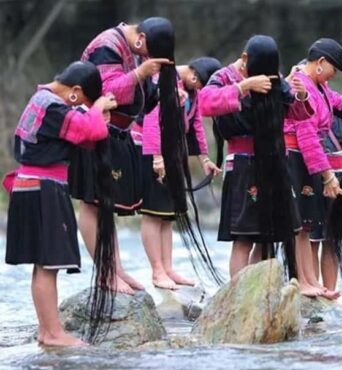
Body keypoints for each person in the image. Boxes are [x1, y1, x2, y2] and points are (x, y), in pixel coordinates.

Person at [5, 61, 116, 346]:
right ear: (75, 93)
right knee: (47, 264)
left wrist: (94, 112)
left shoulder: (41, 100)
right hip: (43, 188)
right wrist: (98, 108)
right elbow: (88, 131)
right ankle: (52, 333)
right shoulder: (53, 107)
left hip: (31, 186)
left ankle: (47, 330)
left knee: (44, 264)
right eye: (85, 103)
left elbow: (82, 133)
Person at [69, 17, 174, 294]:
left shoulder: (135, 52)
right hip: (95, 128)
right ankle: (105, 273)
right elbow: (106, 92)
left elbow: (141, 97)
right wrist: (141, 74)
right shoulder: (107, 45)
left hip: (117, 132)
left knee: (108, 205)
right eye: (147, 52)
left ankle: (115, 268)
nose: (146, 58)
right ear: (140, 39)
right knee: (92, 203)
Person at [199, 35, 312, 281]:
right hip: (242, 163)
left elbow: (297, 113)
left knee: (268, 236)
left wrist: (301, 96)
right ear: (244, 58)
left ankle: (257, 293)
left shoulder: (275, 78)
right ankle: (237, 296)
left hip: (273, 161)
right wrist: (244, 87)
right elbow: (205, 103)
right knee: (243, 238)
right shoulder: (223, 78)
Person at [284, 41, 342, 303]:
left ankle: (312, 282)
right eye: (334, 69)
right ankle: (305, 281)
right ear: (321, 62)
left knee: (307, 226)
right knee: (302, 226)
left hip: (308, 161)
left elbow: (341, 105)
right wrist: (327, 175)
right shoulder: (299, 86)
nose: (334, 75)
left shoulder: (320, 87)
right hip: (296, 158)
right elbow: (307, 135)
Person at [139, 57, 223, 289]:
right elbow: (151, 119)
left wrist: (204, 158)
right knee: (153, 212)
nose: (199, 90)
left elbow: (195, 125)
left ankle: (168, 267)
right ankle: (157, 270)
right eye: (200, 85)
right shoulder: (162, 80)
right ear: (195, 76)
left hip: (175, 154)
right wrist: (156, 157)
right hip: (155, 152)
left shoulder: (190, 92)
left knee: (168, 214)